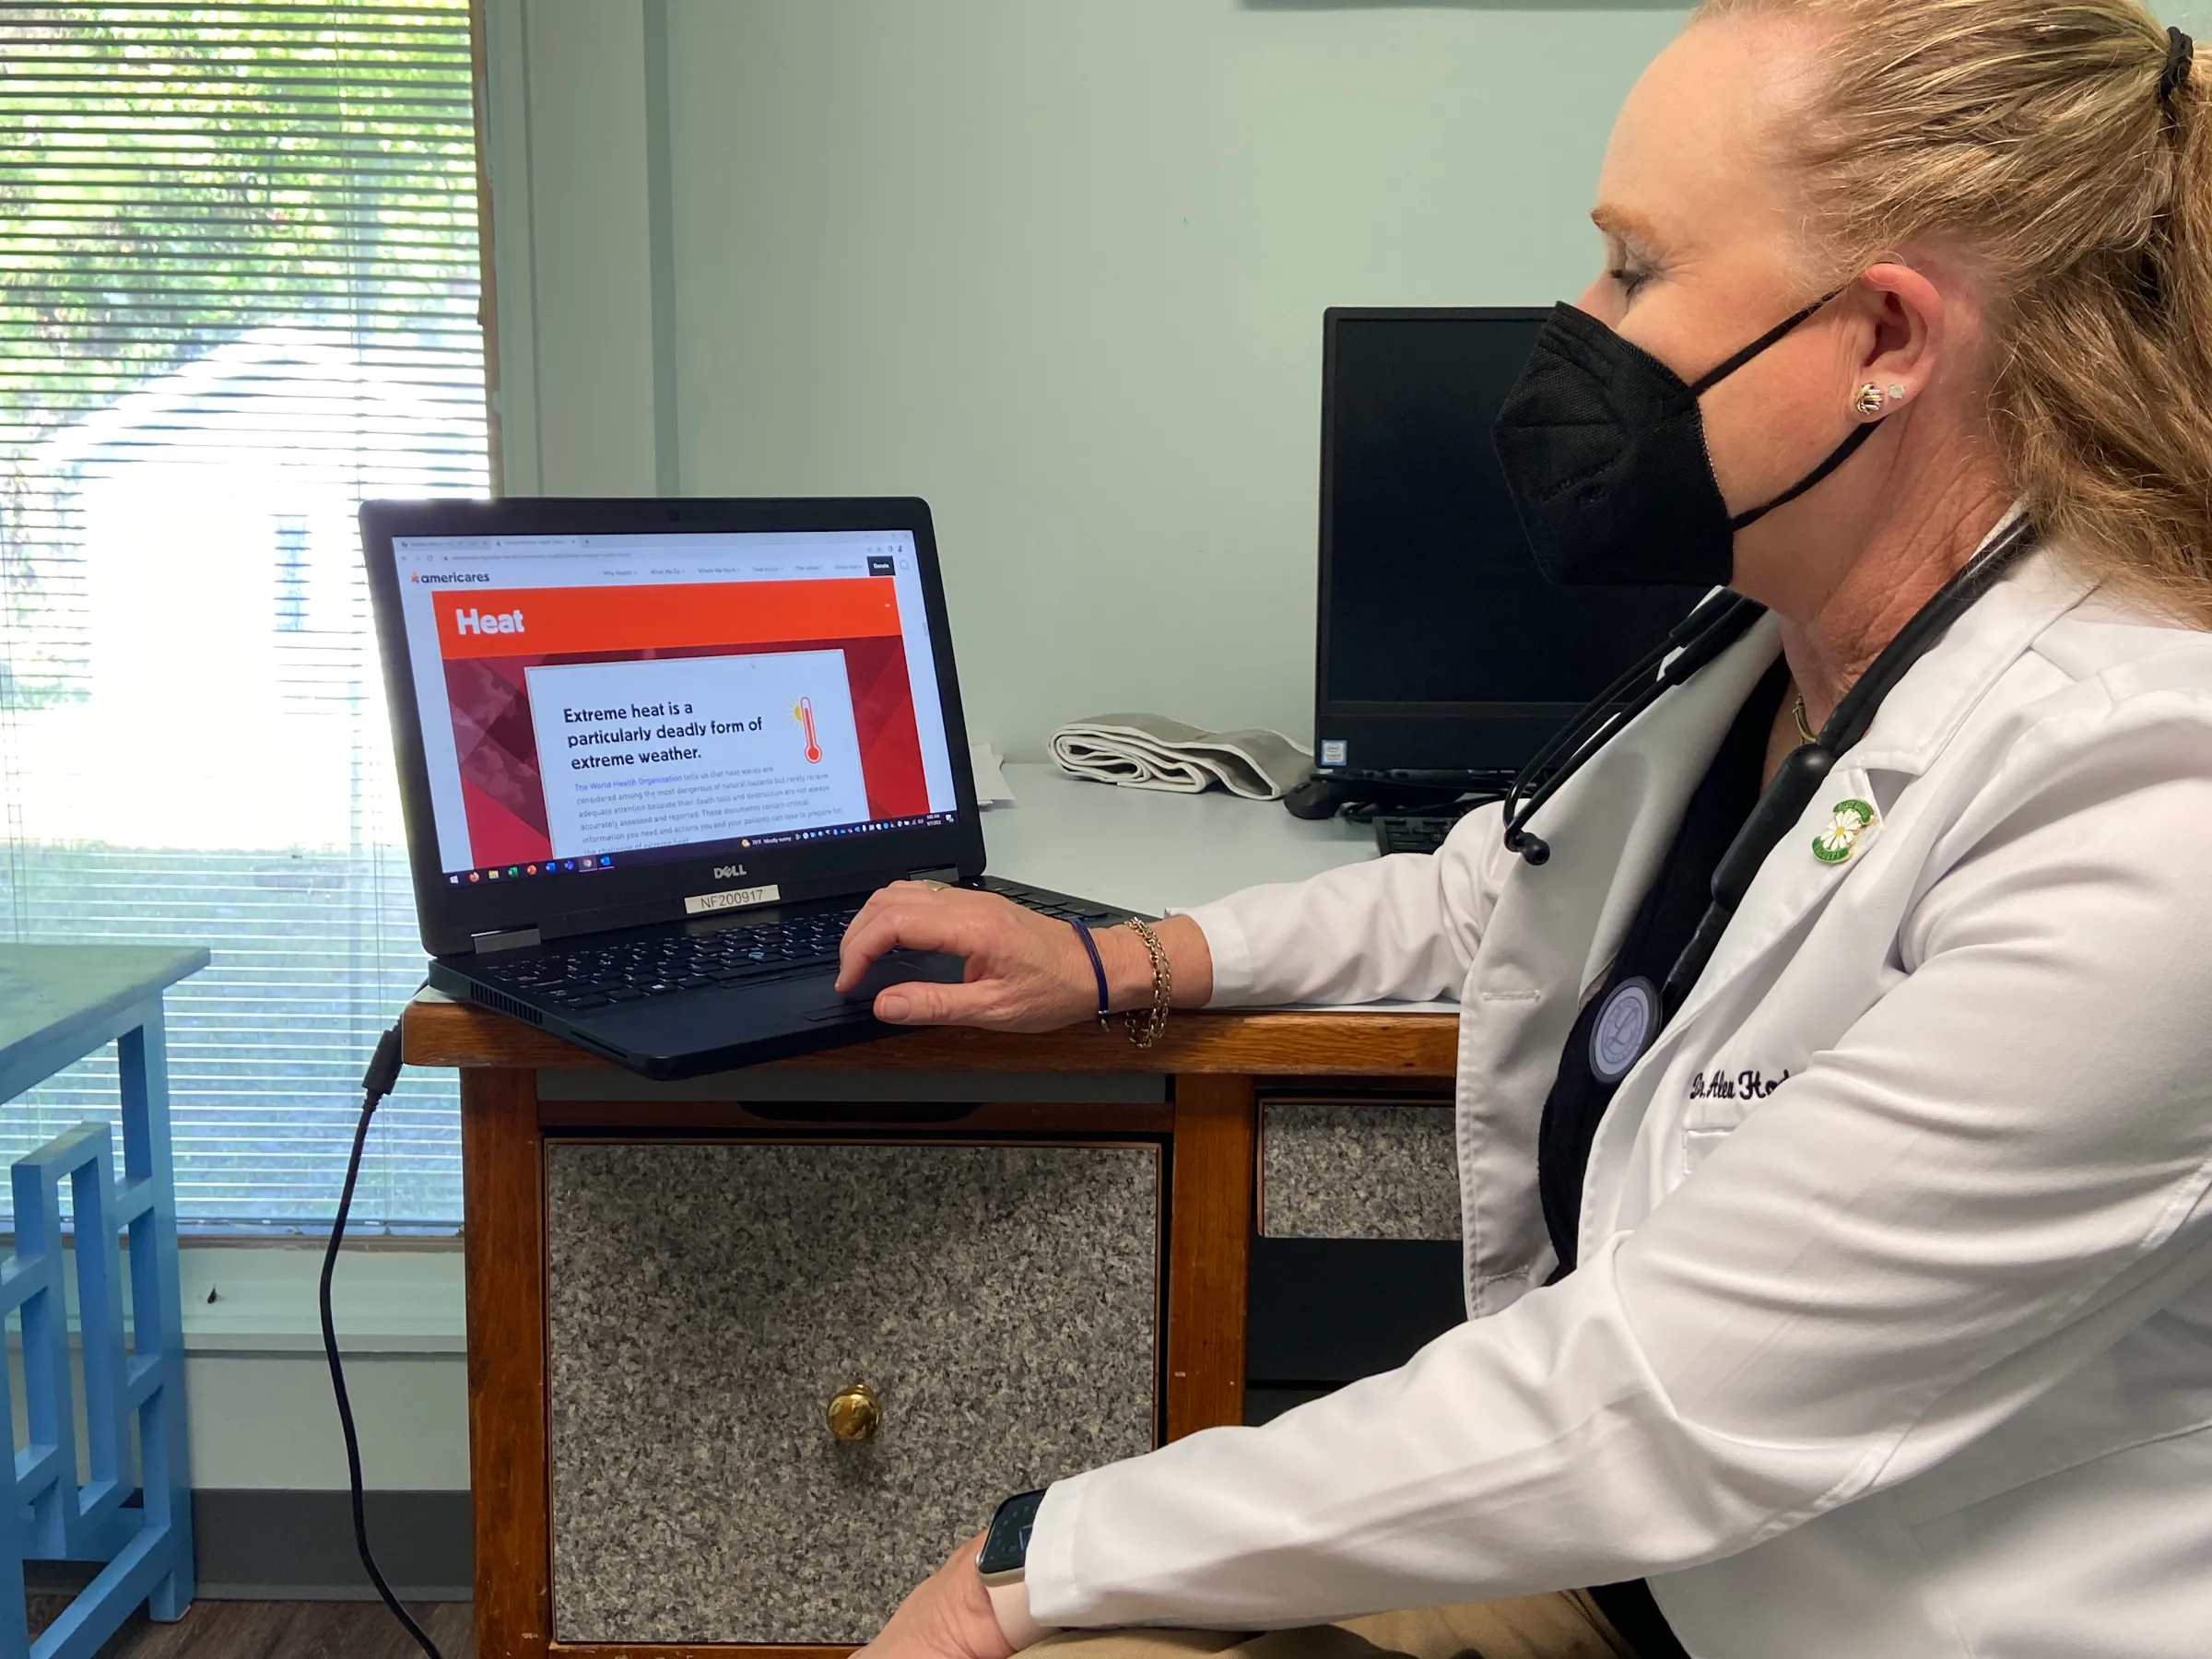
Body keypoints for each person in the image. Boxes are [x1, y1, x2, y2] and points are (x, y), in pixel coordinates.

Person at [832, 3, 2212, 1655]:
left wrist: (1033, 1553)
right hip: (1661, 1573)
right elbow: (1509, 886)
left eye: (1634, 269)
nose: (1574, 325)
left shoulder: (2147, 796)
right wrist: (1124, 958)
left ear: (1885, 340)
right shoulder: (1769, 644)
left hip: (1878, 1603)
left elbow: (1654, 1399)